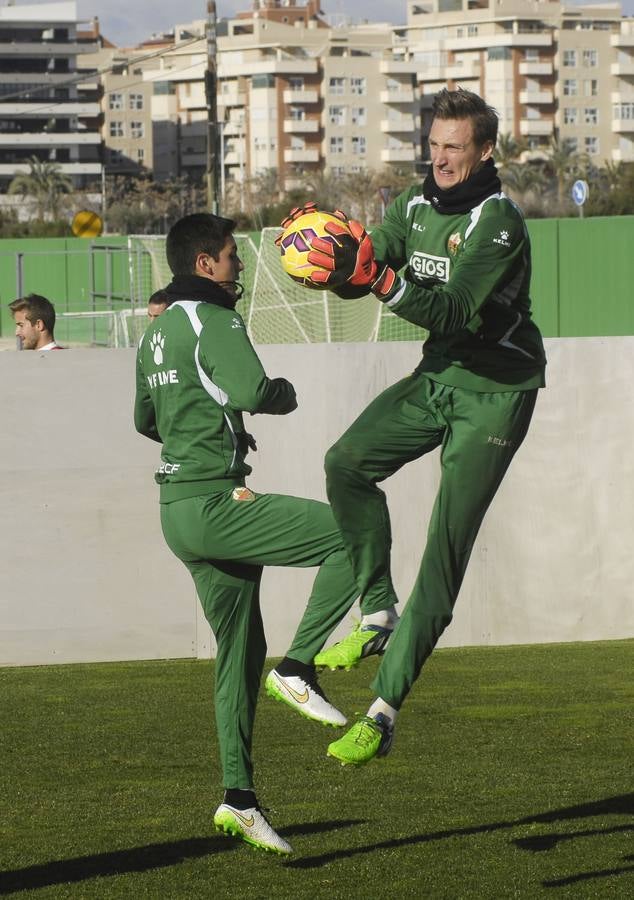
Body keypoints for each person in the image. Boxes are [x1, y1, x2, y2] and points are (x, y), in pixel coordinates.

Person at [278, 88, 546, 766]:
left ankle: (383, 710)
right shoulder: (413, 205)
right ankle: (377, 613)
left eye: (455, 147)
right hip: (438, 378)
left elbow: (453, 309)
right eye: (434, 146)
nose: (441, 158)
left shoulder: (500, 222)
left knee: (442, 554)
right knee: (346, 462)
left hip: (496, 392)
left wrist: (372, 276)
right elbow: (369, 264)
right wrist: (331, 260)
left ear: (486, 150)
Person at [134, 213, 382, 855]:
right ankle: (299, 668)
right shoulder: (216, 319)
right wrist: (282, 395)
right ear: (206, 263)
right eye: (231, 256)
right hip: (217, 504)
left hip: (177, 513)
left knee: (237, 658)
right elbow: (252, 388)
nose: (239, 266)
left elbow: (145, 420)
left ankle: (238, 799)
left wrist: (203, 440)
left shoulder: (155, 336)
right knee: (348, 533)